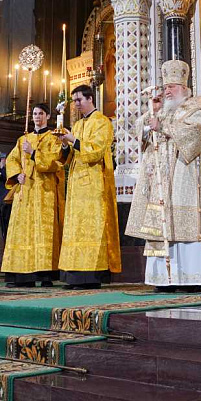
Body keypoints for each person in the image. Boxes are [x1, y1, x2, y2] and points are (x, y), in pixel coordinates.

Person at [129, 61, 201, 293]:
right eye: (166, 87)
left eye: (173, 87)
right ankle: (162, 278)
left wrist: (164, 128)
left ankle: (190, 278)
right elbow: (141, 132)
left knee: (183, 226)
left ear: (184, 90)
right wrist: (153, 116)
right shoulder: (161, 111)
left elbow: (196, 137)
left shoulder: (195, 109)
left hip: (183, 178)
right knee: (160, 226)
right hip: (159, 182)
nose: (167, 91)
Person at [57, 85, 120, 288]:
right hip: (76, 182)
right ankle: (73, 273)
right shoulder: (77, 125)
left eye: (79, 100)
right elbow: (68, 157)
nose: (76, 104)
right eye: (74, 100)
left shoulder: (102, 122)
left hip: (94, 183)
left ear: (90, 99)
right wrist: (65, 144)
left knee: (91, 228)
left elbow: (95, 151)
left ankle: (90, 275)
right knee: (75, 228)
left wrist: (73, 140)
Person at [2, 103, 64, 287]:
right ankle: (21, 275)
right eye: (35, 113)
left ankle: (44, 275)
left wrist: (34, 152)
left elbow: (55, 163)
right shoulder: (23, 139)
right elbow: (12, 159)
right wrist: (16, 174)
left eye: (41, 113)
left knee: (43, 232)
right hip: (25, 190)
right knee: (22, 231)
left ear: (48, 115)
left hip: (44, 191)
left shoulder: (53, 138)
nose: (37, 117)